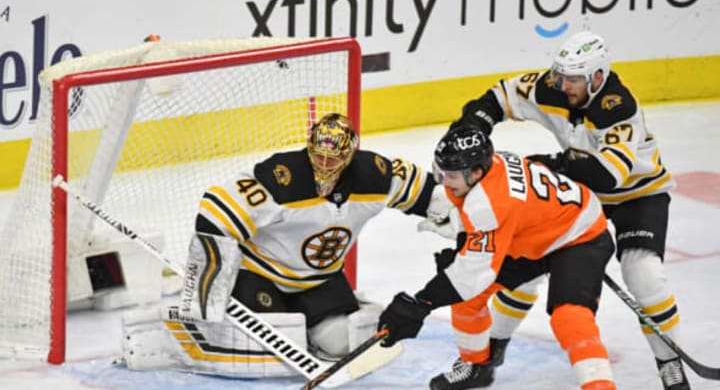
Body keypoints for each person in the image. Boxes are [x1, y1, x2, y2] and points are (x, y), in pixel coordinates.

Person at [445, 30, 688, 390]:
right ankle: (493, 347)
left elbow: (608, 175)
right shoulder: (550, 87)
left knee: (643, 272)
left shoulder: (618, 107)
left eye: (573, 78)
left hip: (638, 194)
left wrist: (552, 164)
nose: (563, 85)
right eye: (560, 75)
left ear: (598, 77)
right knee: (528, 257)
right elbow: (496, 98)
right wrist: (473, 130)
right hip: (581, 194)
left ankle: (670, 362)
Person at [119, 113, 441, 378]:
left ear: (350, 155)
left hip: (320, 280)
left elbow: (428, 192)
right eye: (319, 156)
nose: (325, 166)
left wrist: (461, 220)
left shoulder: (374, 176)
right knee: (270, 349)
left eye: (334, 158)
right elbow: (216, 213)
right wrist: (206, 291)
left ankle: (308, 325)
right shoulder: (282, 179)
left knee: (340, 343)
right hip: (261, 275)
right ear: (308, 148)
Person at [377, 125, 618, 390]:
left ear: (476, 173)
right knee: (467, 299)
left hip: (579, 235)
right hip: (533, 233)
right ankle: (477, 367)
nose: (445, 181)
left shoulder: (488, 204)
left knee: (569, 316)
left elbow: (470, 277)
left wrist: (420, 303)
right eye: (441, 172)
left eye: (452, 175)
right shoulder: (488, 167)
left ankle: (600, 386)